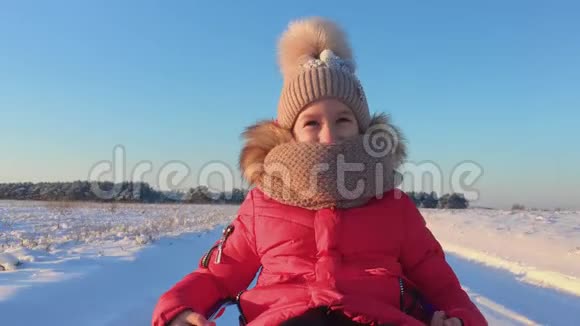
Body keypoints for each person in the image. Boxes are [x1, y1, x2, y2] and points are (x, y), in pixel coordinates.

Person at [152, 17, 487, 326]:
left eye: (343, 119)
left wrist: (459, 317)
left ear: (361, 128)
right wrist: (179, 307)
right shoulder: (261, 205)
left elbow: (439, 280)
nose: (329, 136)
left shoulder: (394, 206)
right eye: (312, 122)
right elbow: (216, 275)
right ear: (290, 132)